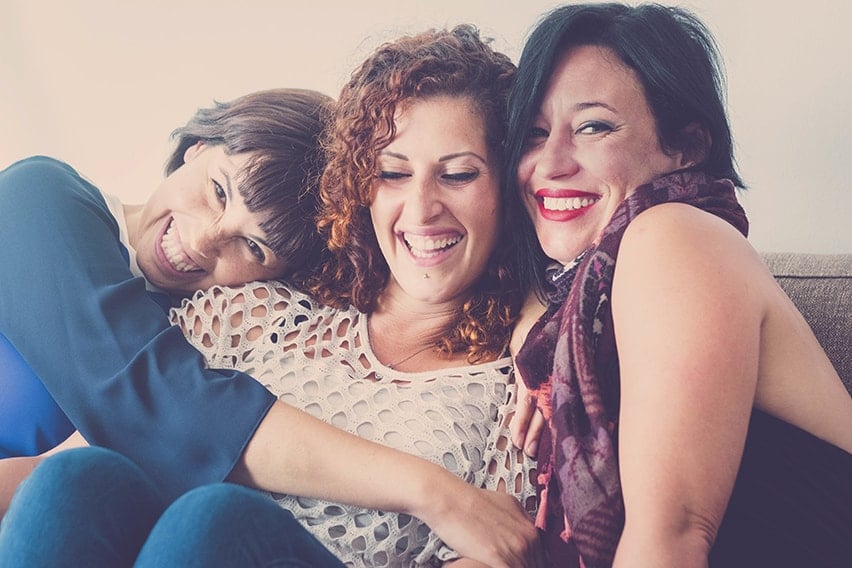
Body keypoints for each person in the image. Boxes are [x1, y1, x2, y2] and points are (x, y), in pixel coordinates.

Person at [0, 26, 545, 567]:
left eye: (458, 174)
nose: (423, 208)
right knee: (75, 481)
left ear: (509, 186)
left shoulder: (519, 388)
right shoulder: (259, 310)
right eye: (392, 172)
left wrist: (537, 312)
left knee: (216, 523)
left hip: (238, 542)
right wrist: (432, 491)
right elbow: (138, 417)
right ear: (362, 188)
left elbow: (499, 547)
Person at [503, 3, 852, 567]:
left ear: (686, 147)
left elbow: (675, 536)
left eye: (593, 126)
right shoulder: (588, 298)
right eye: (535, 134)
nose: (551, 162)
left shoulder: (673, 235)